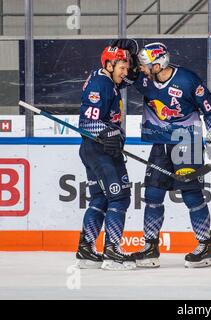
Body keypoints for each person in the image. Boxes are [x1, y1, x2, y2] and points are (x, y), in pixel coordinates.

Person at [112, 40, 211, 268]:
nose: (141, 68)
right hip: (160, 143)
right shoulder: (145, 78)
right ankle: (150, 248)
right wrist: (124, 51)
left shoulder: (187, 80)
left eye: (146, 65)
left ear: (158, 65)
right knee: (152, 196)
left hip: (187, 141)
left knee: (192, 194)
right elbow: (122, 71)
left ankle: (204, 245)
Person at [75, 45, 136, 271]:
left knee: (100, 198)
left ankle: (86, 249)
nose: (125, 73)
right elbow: (87, 123)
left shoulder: (107, 79)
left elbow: (133, 79)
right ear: (109, 66)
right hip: (100, 150)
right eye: (122, 67)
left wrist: (130, 60)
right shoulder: (101, 84)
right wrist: (110, 133)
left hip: (97, 149)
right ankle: (112, 251)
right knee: (119, 197)